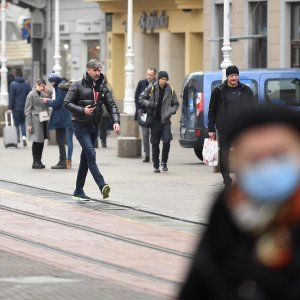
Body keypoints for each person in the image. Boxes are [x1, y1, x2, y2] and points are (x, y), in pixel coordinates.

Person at [179, 105, 300, 300]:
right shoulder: (228, 206)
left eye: (278, 156)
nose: (268, 169)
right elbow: (200, 281)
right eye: (255, 159)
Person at [64, 59, 120, 200]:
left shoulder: (103, 86)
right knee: (91, 154)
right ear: (88, 69)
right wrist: (82, 110)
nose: (97, 73)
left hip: (94, 126)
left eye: (99, 70)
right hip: (80, 125)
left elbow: (111, 105)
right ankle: (102, 186)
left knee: (85, 159)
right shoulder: (77, 85)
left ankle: (78, 190)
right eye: (95, 70)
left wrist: (116, 122)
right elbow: (67, 102)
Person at [208, 65, 255, 188]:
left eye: (235, 75)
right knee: (224, 154)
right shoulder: (218, 91)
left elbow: (253, 110)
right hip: (224, 128)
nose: (234, 78)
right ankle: (226, 179)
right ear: (227, 77)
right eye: (231, 76)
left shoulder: (246, 90)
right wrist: (211, 129)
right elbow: (211, 111)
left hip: (241, 128)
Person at [139, 71, 179, 173]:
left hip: (165, 120)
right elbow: (141, 98)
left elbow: (176, 103)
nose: (164, 81)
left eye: (166, 79)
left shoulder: (170, 90)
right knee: (155, 143)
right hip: (154, 120)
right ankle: (156, 164)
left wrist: (171, 111)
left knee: (167, 141)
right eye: (162, 79)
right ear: (158, 79)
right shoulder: (152, 88)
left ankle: (164, 162)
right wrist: (150, 104)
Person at [43, 72, 70, 169]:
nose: (51, 84)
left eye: (52, 82)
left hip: (60, 116)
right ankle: (63, 160)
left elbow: (58, 103)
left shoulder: (60, 87)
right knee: (62, 139)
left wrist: (47, 101)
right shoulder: (62, 85)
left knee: (60, 140)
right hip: (64, 115)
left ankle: (62, 162)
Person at [24, 79, 49, 169]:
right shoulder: (31, 95)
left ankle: (39, 160)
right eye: (41, 85)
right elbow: (27, 110)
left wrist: (46, 92)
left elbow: (46, 105)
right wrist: (29, 124)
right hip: (34, 121)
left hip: (43, 119)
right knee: (36, 141)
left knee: (41, 141)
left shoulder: (42, 94)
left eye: (43, 86)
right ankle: (35, 161)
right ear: (37, 84)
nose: (42, 87)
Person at [134, 68, 157, 162]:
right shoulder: (141, 83)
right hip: (143, 112)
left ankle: (155, 154)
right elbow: (136, 97)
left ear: (154, 75)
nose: (148, 76)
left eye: (150, 75)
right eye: (147, 74)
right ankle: (147, 155)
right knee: (145, 134)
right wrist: (139, 109)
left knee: (154, 135)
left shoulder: (157, 84)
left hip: (154, 113)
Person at [8, 69, 31, 147]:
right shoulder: (27, 84)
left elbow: (11, 97)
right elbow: (30, 96)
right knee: (23, 123)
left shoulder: (13, 84)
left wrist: (10, 107)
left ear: (15, 75)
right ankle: (24, 137)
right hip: (24, 107)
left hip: (16, 108)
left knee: (17, 124)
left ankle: (17, 139)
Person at [58, 79, 75, 169]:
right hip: (77, 119)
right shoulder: (79, 92)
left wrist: (69, 83)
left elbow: (60, 85)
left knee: (69, 140)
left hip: (69, 120)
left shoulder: (67, 93)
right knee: (82, 140)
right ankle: (69, 160)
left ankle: (69, 161)